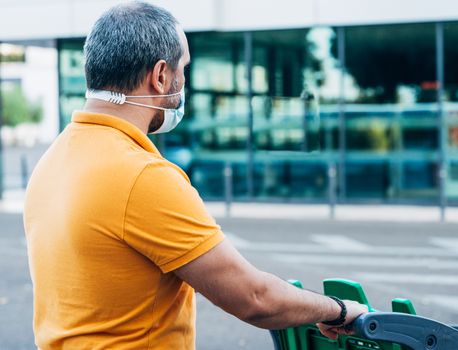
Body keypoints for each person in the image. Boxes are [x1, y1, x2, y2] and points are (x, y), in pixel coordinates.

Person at [23, 2, 368, 349]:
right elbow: (253, 297)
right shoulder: (141, 175)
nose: (183, 80)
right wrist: (338, 310)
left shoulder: (52, 161)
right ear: (160, 76)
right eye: (183, 68)